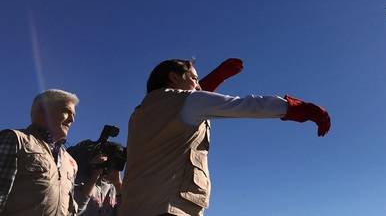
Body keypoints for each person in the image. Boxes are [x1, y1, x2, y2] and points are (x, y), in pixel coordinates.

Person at [119, 58, 331, 216]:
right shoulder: (189, 102)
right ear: (174, 77)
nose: (198, 84)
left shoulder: (139, 114)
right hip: (169, 209)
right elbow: (245, 105)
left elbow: (188, 108)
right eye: (194, 78)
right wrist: (301, 109)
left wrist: (216, 77)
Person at [0, 89, 81, 216]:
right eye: (66, 111)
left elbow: (71, 210)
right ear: (43, 110)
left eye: (74, 115)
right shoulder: (15, 139)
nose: (72, 119)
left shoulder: (71, 162)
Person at [68, 141, 123, 216]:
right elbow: (75, 210)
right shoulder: (80, 179)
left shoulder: (114, 188)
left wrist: (118, 185)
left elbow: (126, 211)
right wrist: (95, 175)